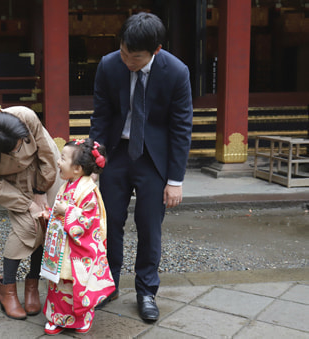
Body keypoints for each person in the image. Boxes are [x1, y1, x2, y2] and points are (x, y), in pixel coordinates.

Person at [89, 12, 193, 322]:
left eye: (134, 57)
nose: (127, 61)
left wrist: (175, 179)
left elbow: (180, 127)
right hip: (117, 153)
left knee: (150, 227)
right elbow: (101, 116)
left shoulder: (176, 72)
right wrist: (94, 162)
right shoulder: (109, 65)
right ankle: (107, 284)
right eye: (123, 52)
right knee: (109, 224)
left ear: (155, 50)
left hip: (153, 159)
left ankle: (146, 291)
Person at [0, 105, 62, 320]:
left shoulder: (25, 116)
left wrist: (41, 190)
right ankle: (7, 289)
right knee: (27, 228)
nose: (19, 152)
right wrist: (27, 204)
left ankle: (33, 284)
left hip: (46, 169)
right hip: (13, 184)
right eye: (14, 151)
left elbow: (45, 151)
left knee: (49, 223)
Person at [41, 138, 116, 335]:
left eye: (62, 158)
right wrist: (51, 214)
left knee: (76, 285)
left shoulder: (87, 190)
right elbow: (61, 211)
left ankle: (82, 318)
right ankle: (55, 318)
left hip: (76, 249)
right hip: (63, 246)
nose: (58, 162)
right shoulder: (67, 185)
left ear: (76, 168)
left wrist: (67, 211)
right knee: (58, 284)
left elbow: (88, 221)